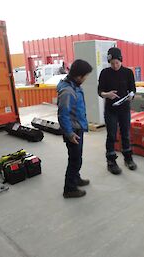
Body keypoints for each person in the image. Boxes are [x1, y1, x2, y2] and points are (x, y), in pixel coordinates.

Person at [98, 47, 137, 175]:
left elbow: (133, 89)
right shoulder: (104, 73)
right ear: (109, 62)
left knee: (125, 133)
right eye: (112, 63)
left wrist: (131, 95)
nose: (115, 65)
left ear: (121, 60)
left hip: (124, 108)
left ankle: (128, 158)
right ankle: (111, 161)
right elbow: (100, 91)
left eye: (117, 63)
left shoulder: (128, 72)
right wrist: (106, 94)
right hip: (110, 109)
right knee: (112, 135)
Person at [57, 59, 93, 198]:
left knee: (77, 157)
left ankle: (76, 178)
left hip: (77, 128)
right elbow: (63, 115)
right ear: (79, 76)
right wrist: (69, 133)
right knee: (74, 159)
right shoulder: (67, 90)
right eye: (85, 76)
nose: (85, 79)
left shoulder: (74, 85)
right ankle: (69, 189)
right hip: (72, 131)